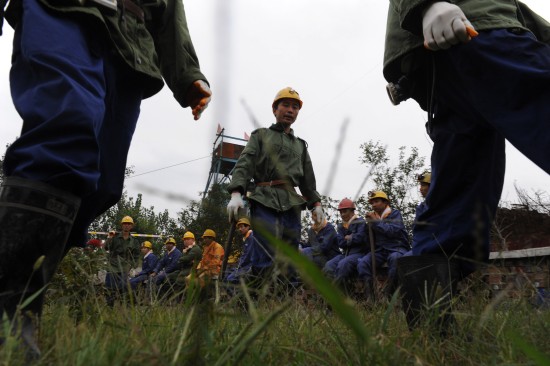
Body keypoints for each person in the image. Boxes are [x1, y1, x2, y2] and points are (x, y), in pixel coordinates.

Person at [0, 0, 211, 355]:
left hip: (130, 45)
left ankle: (21, 298)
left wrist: (187, 73)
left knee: (102, 184)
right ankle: (10, 315)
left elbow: (169, 9)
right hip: (60, 12)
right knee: (64, 141)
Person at [384, 1, 550, 331]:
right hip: (475, 31)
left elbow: (515, 7)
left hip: (442, 63)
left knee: (461, 192)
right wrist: (425, 5)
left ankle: (435, 334)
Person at [226, 87, 324, 285]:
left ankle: (284, 297)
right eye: (286, 105)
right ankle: (256, 296)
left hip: (291, 202)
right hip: (264, 197)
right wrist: (236, 192)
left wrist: (316, 204)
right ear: (275, 109)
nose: (290, 110)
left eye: (295, 107)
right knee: (265, 246)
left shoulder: (300, 146)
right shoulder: (261, 135)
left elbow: (308, 180)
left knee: (290, 249)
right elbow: (245, 162)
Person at [357, 191, 409, 300]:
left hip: (396, 248)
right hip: (380, 251)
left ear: (385, 202)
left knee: (395, 259)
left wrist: (376, 222)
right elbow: (368, 241)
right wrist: (367, 227)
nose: (374, 205)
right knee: (363, 263)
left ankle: (388, 296)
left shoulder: (394, 214)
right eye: (372, 203)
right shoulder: (373, 218)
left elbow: (393, 231)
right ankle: (370, 298)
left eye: (376, 201)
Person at [323, 198, 368, 294]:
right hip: (345, 254)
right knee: (328, 266)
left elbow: (360, 238)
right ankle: (328, 293)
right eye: (341, 212)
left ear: (352, 211)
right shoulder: (341, 226)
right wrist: (350, 238)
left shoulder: (360, 222)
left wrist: (349, 238)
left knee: (343, 264)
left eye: (345, 211)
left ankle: (337, 295)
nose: (343, 214)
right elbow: (340, 243)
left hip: (359, 253)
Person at [104, 216, 141, 307]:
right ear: (122, 225)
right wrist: (110, 237)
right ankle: (109, 308)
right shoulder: (115, 237)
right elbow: (105, 247)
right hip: (112, 267)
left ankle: (124, 310)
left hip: (125, 268)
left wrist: (131, 266)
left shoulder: (134, 241)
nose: (127, 226)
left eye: (129, 224)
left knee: (123, 289)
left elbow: (136, 256)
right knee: (110, 289)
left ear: (131, 226)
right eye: (125, 224)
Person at [225, 217, 257, 284]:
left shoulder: (251, 237)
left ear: (248, 227)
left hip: (249, 266)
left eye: (242, 227)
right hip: (244, 265)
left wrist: (239, 266)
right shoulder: (246, 238)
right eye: (239, 227)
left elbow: (247, 256)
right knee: (226, 273)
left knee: (230, 279)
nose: (240, 229)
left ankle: (240, 293)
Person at [172, 231, 203, 298]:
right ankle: (176, 298)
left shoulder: (195, 249)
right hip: (186, 268)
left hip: (193, 270)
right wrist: (183, 258)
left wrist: (183, 258)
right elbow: (182, 260)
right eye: (185, 239)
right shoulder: (188, 249)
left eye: (188, 239)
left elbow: (186, 259)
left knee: (179, 279)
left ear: (193, 240)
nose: (186, 241)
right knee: (171, 276)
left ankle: (181, 299)